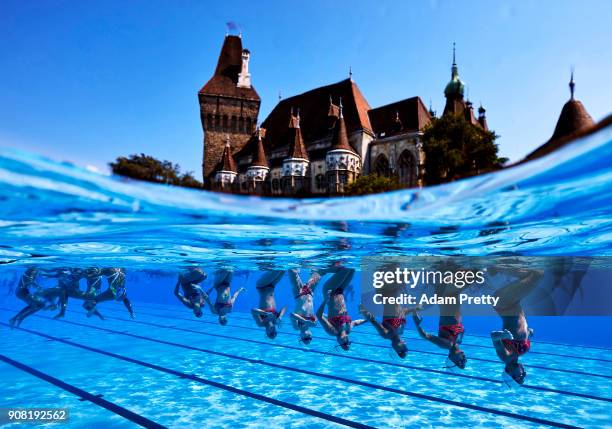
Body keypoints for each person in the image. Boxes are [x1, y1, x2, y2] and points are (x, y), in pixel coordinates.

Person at [489, 263, 542, 387]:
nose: (522, 373)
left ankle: (495, 266)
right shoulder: (519, 353)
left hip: (504, 303)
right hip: (512, 304)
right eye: (523, 376)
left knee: (537, 274)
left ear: (509, 373)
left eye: (519, 376)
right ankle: (497, 267)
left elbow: (493, 337)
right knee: (533, 274)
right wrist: (528, 332)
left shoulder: (505, 357)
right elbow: (520, 332)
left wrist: (503, 335)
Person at [316, 267, 366, 351]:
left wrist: (325, 300)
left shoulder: (332, 331)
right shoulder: (348, 330)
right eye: (349, 343)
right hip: (340, 291)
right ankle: (329, 267)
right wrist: (369, 319)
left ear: (338, 342)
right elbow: (356, 323)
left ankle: (322, 270)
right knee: (352, 269)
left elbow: (319, 315)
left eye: (345, 344)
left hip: (330, 291)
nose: (347, 341)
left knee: (345, 269)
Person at [359, 281, 412, 358]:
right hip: (394, 292)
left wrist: (363, 310)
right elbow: (402, 312)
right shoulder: (401, 331)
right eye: (406, 348)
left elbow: (373, 320)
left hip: (387, 293)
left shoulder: (387, 334)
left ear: (395, 348)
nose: (406, 346)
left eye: (403, 350)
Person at [288, 268, 321, 344]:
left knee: (292, 271)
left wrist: (304, 321)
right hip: (310, 292)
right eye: (310, 338)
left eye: (305, 339)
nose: (308, 338)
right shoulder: (313, 324)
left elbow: (292, 315)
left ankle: (297, 266)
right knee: (318, 271)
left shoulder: (297, 327)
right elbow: (316, 317)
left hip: (299, 293)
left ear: (300, 337)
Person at [251, 270, 286, 339]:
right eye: (275, 333)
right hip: (272, 286)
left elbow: (253, 311)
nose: (273, 331)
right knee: (284, 269)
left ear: (266, 332)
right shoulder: (275, 320)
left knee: (278, 269)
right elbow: (284, 308)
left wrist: (266, 313)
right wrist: (280, 317)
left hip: (262, 286)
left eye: (271, 333)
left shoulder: (261, 323)